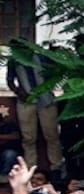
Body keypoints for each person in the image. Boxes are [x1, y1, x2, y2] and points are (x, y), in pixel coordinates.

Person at [4, 38, 63, 173]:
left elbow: (54, 74)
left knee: (52, 135)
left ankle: (56, 167)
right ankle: (30, 168)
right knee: (28, 138)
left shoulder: (42, 57)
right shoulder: (13, 61)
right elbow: (10, 80)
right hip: (25, 101)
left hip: (46, 100)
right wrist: (18, 91)